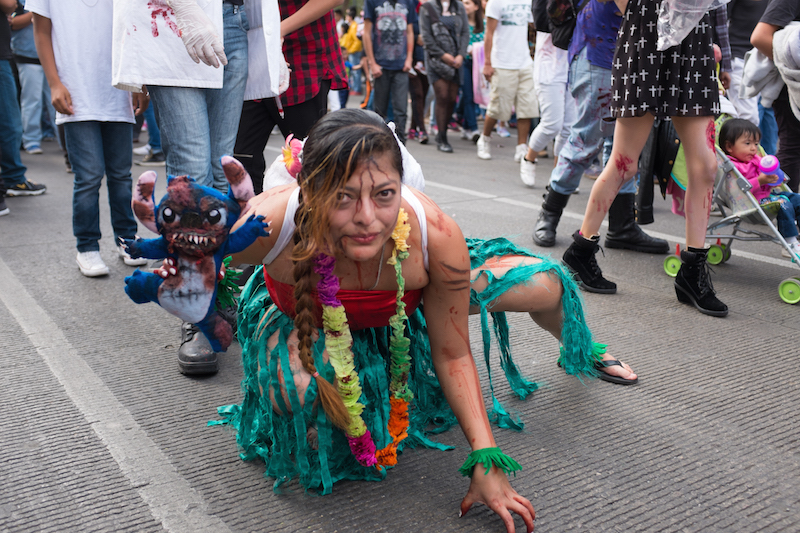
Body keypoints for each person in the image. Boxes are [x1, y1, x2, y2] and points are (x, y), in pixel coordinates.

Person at [214, 109, 637, 525]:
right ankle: (327, 392)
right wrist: (192, 267)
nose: (366, 218)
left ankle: (580, 349)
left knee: (546, 284)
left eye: (383, 194)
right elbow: (190, 262)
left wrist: (485, 457)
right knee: (298, 389)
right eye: (342, 196)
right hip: (307, 316)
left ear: (401, 187)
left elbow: (452, 353)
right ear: (308, 190)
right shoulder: (269, 224)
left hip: (401, 309)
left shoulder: (433, 233)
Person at [562, 0, 728, 318]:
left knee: (707, 166)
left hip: (694, 45)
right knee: (625, 165)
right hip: (645, 35)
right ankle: (580, 251)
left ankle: (693, 271)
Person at [532, 0, 668, 255]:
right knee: (586, 139)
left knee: (625, 147)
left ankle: (622, 225)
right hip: (600, 49)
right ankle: (550, 213)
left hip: (635, 53)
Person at [29, 0, 147, 277]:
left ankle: (126, 240)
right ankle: (87, 247)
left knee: (120, 175)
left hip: (117, 90)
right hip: (75, 91)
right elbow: (41, 31)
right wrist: (54, 83)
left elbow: (134, 28)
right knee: (89, 176)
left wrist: (139, 79)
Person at [232, 0, 347, 195]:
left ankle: (309, 222)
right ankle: (251, 221)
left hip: (303, 56)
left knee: (307, 162)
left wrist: (278, 30)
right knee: (242, 160)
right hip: (254, 56)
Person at [719, 118, 800, 258]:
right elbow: (739, 190)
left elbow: (772, 184)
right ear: (729, 146)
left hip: (768, 197)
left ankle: (796, 236)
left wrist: (773, 179)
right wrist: (760, 180)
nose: (753, 148)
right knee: (782, 202)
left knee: (797, 199)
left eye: (756, 143)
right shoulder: (733, 167)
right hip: (750, 204)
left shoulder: (757, 160)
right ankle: (790, 243)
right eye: (748, 143)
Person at [475, 0, 536, 164]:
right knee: (497, 108)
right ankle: (484, 139)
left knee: (527, 108)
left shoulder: (528, 1)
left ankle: (521, 147)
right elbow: (489, 33)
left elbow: (534, 26)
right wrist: (487, 63)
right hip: (502, 63)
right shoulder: (495, 2)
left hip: (524, 62)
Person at [751, 0, 800, 192]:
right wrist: (791, 63)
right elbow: (760, 37)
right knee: (793, 147)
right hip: (790, 88)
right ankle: (785, 211)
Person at [0, 0, 46, 202]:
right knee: (11, 119)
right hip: (19, 55)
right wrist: (37, 12)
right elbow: (10, 5)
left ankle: (13, 176)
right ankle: (14, 177)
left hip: (14, 54)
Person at [519, 31, 576, 188]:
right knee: (552, 124)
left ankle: (558, 174)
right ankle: (529, 158)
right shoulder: (547, 5)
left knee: (568, 128)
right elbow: (546, 24)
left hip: (574, 67)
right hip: (549, 68)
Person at [362, 0, 416, 144]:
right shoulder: (372, 2)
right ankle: (376, 146)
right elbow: (366, 33)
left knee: (401, 110)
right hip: (381, 64)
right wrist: (372, 63)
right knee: (379, 112)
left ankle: (401, 149)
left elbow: (410, 32)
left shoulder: (408, 2)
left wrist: (409, 59)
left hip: (401, 64)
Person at [419, 0, 469, 153]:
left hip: (456, 60)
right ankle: (442, 137)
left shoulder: (459, 6)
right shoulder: (427, 7)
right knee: (442, 95)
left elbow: (465, 32)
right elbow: (426, 36)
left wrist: (461, 55)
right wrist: (443, 56)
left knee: (452, 99)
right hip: (436, 60)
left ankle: (443, 131)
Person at [9, 0, 56, 155]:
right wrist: (36, 12)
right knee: (32, 100)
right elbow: (12, 22)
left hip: (54, 56)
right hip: (27, 55)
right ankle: (31, 140)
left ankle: (65, 143)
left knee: (54, 102)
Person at [454, 0, 483, 142]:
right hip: (463, 62)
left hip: (478, 64)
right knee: (468, 95)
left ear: (476, 6)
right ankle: (473, 128)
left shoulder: (482, 24)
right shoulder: (459, 23)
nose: (464, 6)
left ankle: (463, 122)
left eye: (467, 2)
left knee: (473, 96)